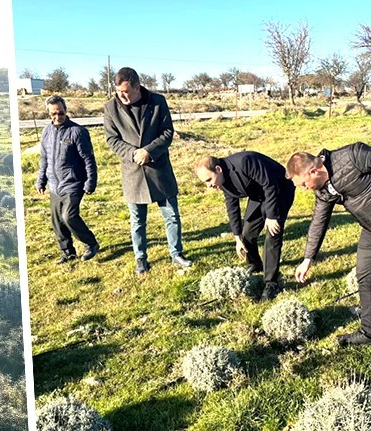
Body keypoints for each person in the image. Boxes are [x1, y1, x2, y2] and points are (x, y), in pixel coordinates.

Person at [286, 142, 371, 370]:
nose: (303, 189)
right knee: (365, 277)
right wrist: (308, 258)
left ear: (313, 171)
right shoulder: (323, 190)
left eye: (303, 184)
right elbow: (319, 221)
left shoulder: (353, 156)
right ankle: (369, 333)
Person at [103, 67, 191, 274]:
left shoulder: (157, 101)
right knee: (137, 221)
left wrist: (149, 151)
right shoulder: (110, 107)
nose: (121, 96)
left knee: (172, 215)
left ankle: (176, 253)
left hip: (159, 169)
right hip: (132, 171)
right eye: (118, 91)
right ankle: (141, 259)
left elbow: (167, 132)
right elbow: (111, 139)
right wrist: (133, 153)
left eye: (126, 91)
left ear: (137, 86)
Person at [194, 152, 295, 300]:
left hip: (278, 189)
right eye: (205, 183)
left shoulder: (245, 162)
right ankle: (255, 264)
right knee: (246, 235)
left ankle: (271, 283)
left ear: (218, 169)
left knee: (272, 234)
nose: (209, 185)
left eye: (209, 179)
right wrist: (237, 236)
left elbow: (270, 184)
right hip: (258, 195)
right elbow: (232, 204)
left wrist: (272, 216)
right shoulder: (221, 180)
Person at [35, 95, 100, 264]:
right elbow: (44, 158)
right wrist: (41, 180)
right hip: (54, 185)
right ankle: (68, 252)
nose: (57, 117)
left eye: (61, 113)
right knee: (57, 221)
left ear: (66, 111)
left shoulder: (77, 132)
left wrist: (90, 182)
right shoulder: (46, 132)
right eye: (53, 114)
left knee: (69, 217)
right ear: (48, 113)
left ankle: (90, 244)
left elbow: (89, 160)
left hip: (73, 183)